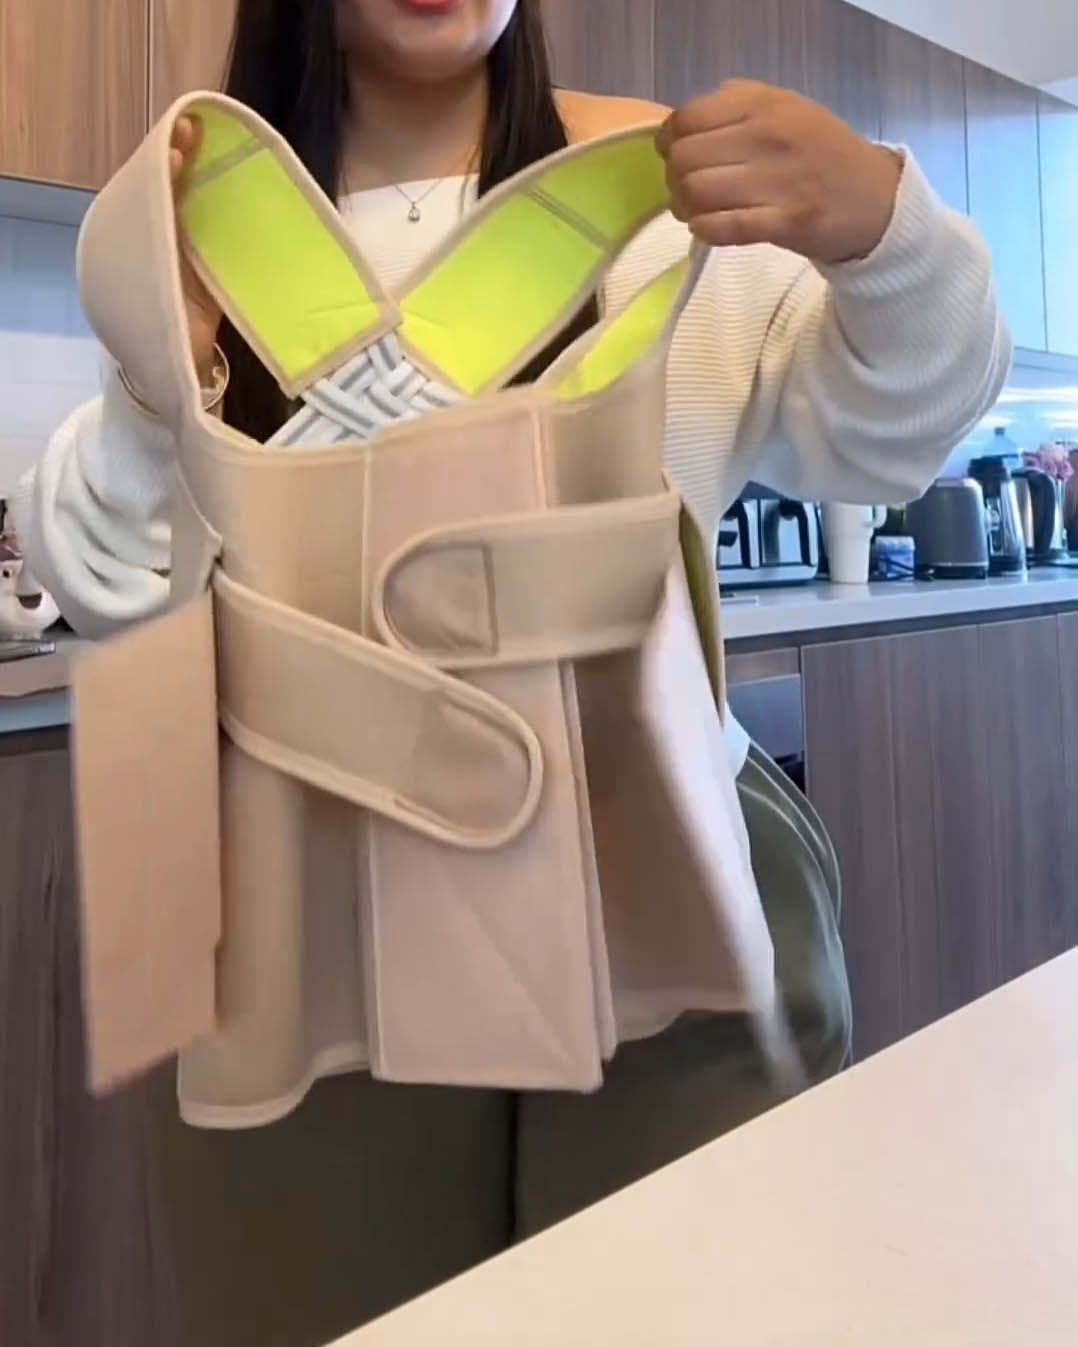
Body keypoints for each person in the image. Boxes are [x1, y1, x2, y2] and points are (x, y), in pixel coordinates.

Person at [12, 1, 1011, 1343]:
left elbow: (884, 443)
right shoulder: (200, 223)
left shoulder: (666, 202)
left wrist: (889, 235)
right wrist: (156, 367)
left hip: (664, 868)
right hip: (296, 894)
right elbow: (106, 580)